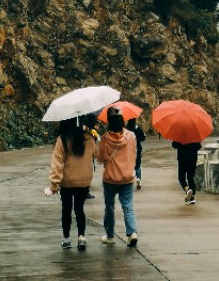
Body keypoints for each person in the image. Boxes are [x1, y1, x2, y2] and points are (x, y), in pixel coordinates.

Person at [44, 117, 96, 250]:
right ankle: (81, 237)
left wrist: (54, 185)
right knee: (79, 209)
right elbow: (96, 155)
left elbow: (57, 164)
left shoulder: (62, 140)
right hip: (84, 181)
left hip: (67, 182)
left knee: (66, 210)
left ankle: (67, 239)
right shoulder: (88, 138)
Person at [96, 105, 139, 247]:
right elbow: (134, 154)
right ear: (122, 120)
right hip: (127, 177)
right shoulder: (131, 136)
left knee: (109, 207)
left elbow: (101, 159)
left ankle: (109, 236)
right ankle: (132, 232)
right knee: (128, 205)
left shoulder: (104, 139)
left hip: (110, 179)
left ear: (109, 121)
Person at [126, 117, 146, 189]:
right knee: (137, 166)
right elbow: (143, 138)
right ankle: (138, 179)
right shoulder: (138, 129)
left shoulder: (125, 129)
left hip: (128, 151)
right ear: (135, 121)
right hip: (137, 149)